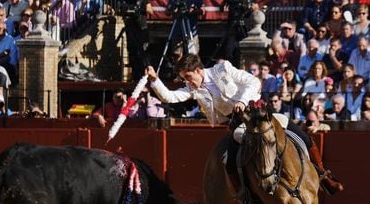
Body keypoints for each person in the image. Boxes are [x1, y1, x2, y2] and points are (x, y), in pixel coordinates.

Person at [146, 53, 343, 194]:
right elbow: (170, 97)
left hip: (259, 112)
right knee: (229, 157)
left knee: (302, 136)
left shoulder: (223, 69)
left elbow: (254, 83)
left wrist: (241, 101)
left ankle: (323, 176)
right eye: (184, 79)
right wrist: (155, 81)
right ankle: (243, 194)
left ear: (198, 70)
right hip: (237, 123)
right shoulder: (194, 89)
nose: (187, 82)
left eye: (188, 77)